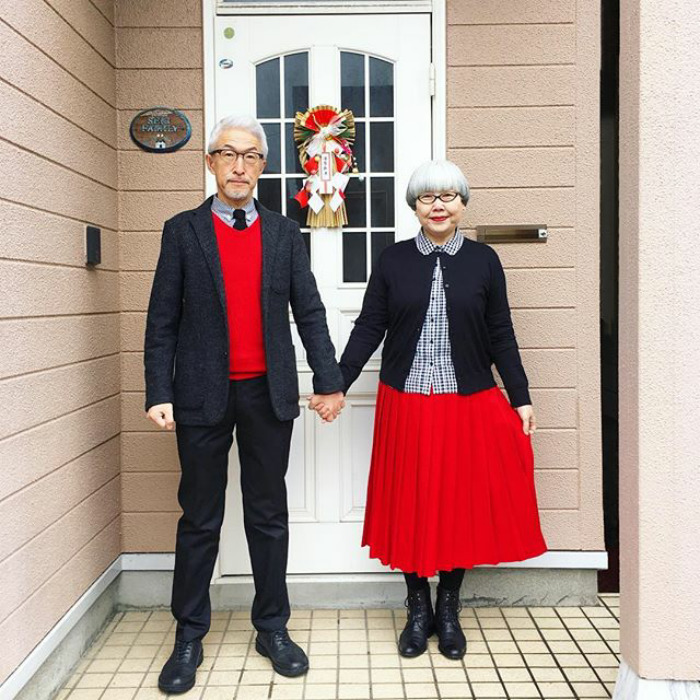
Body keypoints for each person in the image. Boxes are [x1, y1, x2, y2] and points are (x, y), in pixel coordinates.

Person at [310, 159, 547, 660]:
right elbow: (369, 326)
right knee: (412, 501)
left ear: (463, 203)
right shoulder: (394, 260)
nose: (437, 205)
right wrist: (336, 384)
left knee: (458, 504)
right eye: (426, 197)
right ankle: (417, 609)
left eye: (447, 196)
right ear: (414, 207)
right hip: (407, 402)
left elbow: (501, 332)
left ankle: (448, 609)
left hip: (467, 401)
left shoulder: (484, 261)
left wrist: (520, 396)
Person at [144, 115, 345, 694]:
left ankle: (272, 628)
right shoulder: (182, 231)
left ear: (262, 166)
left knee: (267, 515)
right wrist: (159, 389)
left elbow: (308, 311)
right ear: (209, 163)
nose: (239, 165)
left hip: (268, 393)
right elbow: (162, 319)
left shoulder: (283, 233)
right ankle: (188, 635)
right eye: (227, 154)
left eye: (251, 156)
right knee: (200, 518)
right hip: (200, 396)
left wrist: (329, 382)